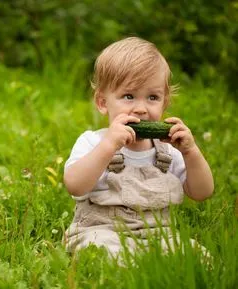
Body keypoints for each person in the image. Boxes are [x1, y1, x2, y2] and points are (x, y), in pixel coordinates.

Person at [63, 37, 214, 259]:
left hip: (158, 235)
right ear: (103, 103)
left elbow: (202, 192)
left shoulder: (168, 151)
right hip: (101, 231)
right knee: (104, 250)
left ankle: (152, 262)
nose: (141, 109)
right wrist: (108, 147)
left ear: (165, 103)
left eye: (152, 97)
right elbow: (75, 185)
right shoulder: (93, 143)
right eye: (129, 96)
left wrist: (191, 152)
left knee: (196, 255)